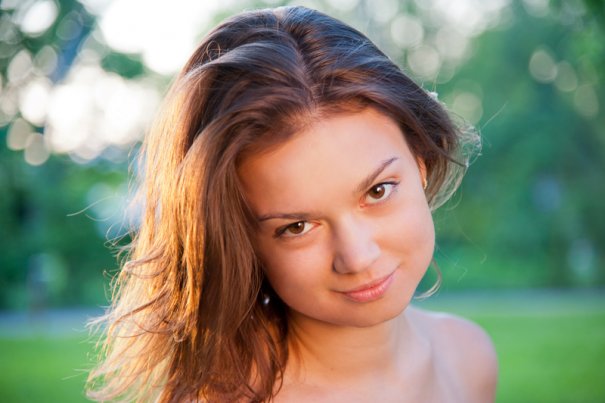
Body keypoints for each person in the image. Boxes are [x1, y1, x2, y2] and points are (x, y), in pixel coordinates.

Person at [87, 6, 497, 402]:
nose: (357, 256)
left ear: (420, 162)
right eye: (296, 226)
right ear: (242, 241)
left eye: (377, 191)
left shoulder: (468, 357)